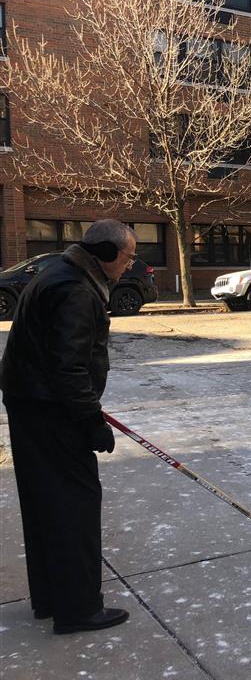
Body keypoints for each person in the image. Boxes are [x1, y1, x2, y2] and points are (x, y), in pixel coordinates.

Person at [1, 219, 138, 634]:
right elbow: (70, 367)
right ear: (107, 253)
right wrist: (90, 420)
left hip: (31, 404)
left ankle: (50, 598)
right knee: (74, 505)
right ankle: (78, 608)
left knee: (45, 503)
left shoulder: (59, 274)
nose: (130, 266)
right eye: (128, 257)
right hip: (53, 412)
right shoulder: (76, 290)